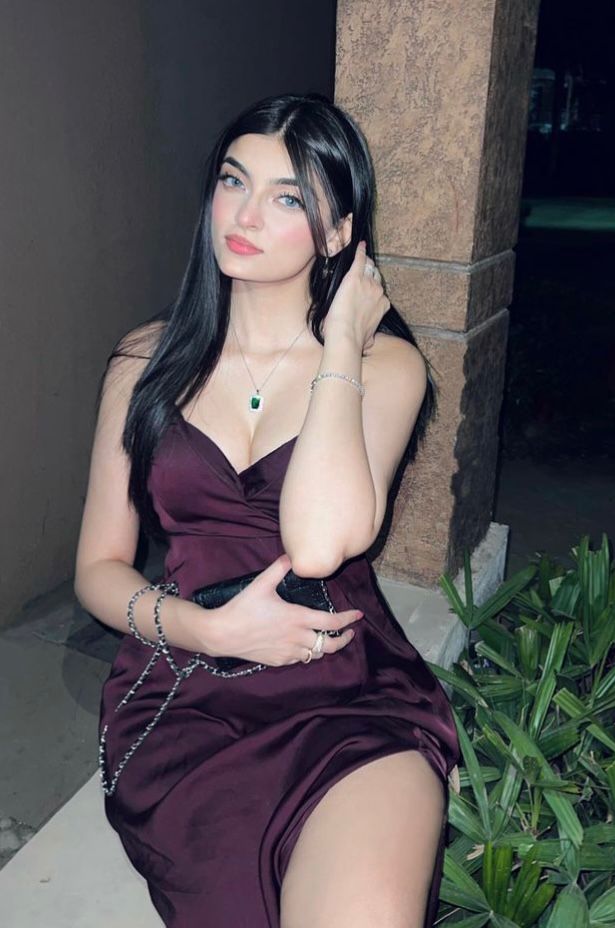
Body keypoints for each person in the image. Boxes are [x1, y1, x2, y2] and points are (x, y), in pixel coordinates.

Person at [74, 92, 460, 928]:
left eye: (287, 198)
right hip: (188, 683)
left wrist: (341, 343)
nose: (244, 215)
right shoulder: (144, 361)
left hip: (345, 685)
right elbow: (98, 569)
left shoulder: (385, 368)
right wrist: (208, 631)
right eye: (232, 181)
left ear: (337, 234)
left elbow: (317, 545)